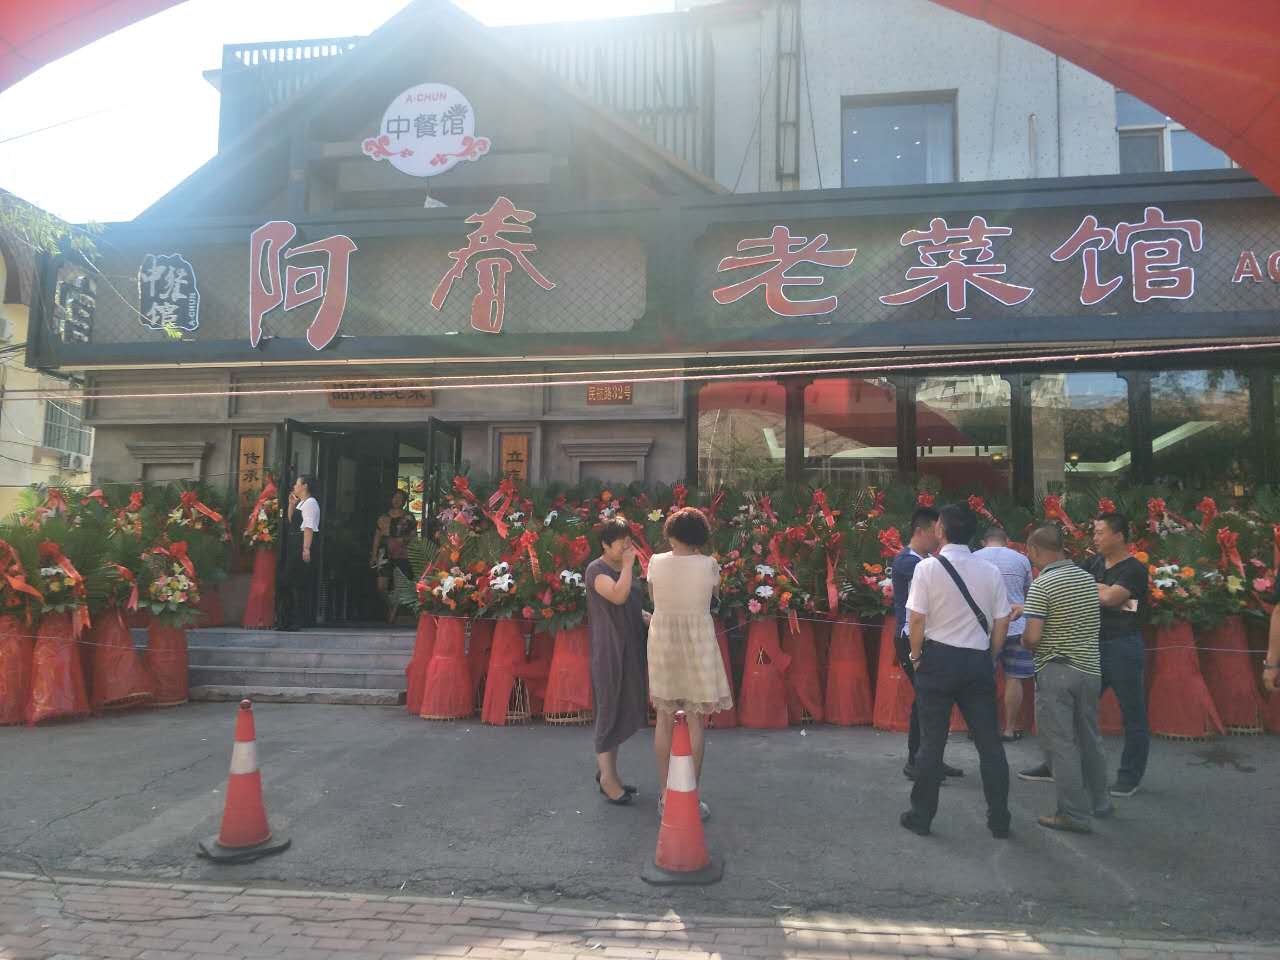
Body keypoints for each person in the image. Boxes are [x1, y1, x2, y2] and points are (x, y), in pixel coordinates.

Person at [900, 504, 1012, 839]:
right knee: (989, 743)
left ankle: (922, 816)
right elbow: (1002, 620)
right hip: (977, 660)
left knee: (932, 743)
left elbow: (916, 619)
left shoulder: (927, 569)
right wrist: (990, 655)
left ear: (940, 530)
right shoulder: (990, 571)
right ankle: (999, 818)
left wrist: (916, 656)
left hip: (937, 660)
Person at [1019, 513, 1149, 797]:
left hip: (1122, 646)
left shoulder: (1134, 569)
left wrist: (1107, 595)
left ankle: (1129, 776)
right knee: (1071, 710)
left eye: (1101, 532)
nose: (1095, 537)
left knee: (1133, 714)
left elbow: (1112, 599)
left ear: (1119, 536)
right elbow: (1080, 589)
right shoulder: (1093, 563)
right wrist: (1108, 594)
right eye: (1095, 531)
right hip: (1089, 646)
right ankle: (1057, 764)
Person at [1020, 525, 1112, 834]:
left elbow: (1033, 637)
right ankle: (1101, 802)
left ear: (1034, 550)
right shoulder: (1086, 579)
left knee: (1061, 745)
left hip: (1056, 671)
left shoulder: (1042, 584)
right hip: (1090, 670)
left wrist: (1022, 640)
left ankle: (1073, 814)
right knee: (1090, 738)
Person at [646, 507, 732, 821]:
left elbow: (654, 599)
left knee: (664, 717)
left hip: (664, 641)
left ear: (670, 533)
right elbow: (715, 595)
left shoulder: (655, 562)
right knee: (696, 720)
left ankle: (666, 795)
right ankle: (690, 795)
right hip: (699, 643)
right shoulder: (709, 565)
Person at [892, 506, 962, 781]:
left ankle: (930, 758)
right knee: (926, 700)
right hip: (911, 639)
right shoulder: (907, 562)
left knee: (932, 699)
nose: (939, 537)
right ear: (920, 531)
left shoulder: (926, 560)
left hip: (928, 637)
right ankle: (916, 761)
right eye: (935, 531)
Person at [586, 517, 650, 806]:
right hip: (609, 650)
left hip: (629, 646)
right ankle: (607, 780)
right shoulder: (596, 570)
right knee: (608, 711)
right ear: (605, 545)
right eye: (621, 542)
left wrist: (646, 617)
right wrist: (627, 567)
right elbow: (618, 596)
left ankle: (609, 774)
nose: (627, 547)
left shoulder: (624, 569)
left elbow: (631, 604)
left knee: (622, 708)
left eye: (628, 541)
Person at [974, 526, 1033, 741]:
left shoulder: (974, 558)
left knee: (981, 678)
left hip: (984, 628)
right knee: (1014, 678)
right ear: (1006, 540)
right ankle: (1009, 729)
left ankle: (980, 728)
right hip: (1015, 624)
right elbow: (1029, 592)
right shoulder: (1021, 559)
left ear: (984, 541)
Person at [278, 475, 320, 632]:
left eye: (297, 484)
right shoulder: (301, 503)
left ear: (305, 486)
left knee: (296, 582)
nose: (294, 487)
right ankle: (286, 620)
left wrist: (306, 548)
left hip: (301, 544)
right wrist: (291, 504)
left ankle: (298, 620)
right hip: (294, 543)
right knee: (287, 582)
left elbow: (308, 527)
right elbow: (292, 521)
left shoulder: (311, 503)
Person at [371, 490, 418, 622]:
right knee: (381, 586)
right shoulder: (383, 518)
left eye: (400, 498)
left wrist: (404, 540)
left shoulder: (409, 517)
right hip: (384, 552)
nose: (397, 500)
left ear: (404, 501)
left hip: (402, 553)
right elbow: (377, 536)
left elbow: (414, 536)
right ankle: (390, 606)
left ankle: (395, 611)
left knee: (401, 585)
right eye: (395, 497)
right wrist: (374, 555)